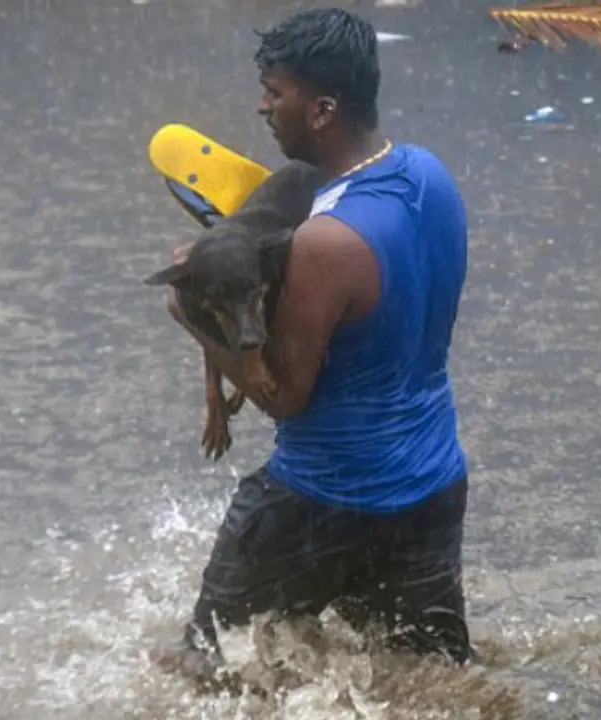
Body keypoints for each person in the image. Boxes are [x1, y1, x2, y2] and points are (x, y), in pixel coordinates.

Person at [163, 7, 475, 669]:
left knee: (200, 668)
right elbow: (384, 315)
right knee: (433, 681)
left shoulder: (324, 243)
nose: (262, 107)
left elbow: (284, 397)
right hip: (431, 488)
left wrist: (190, 314)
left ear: (324, 108)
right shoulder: (429, 177)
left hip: (322, 497)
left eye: (277, 93)